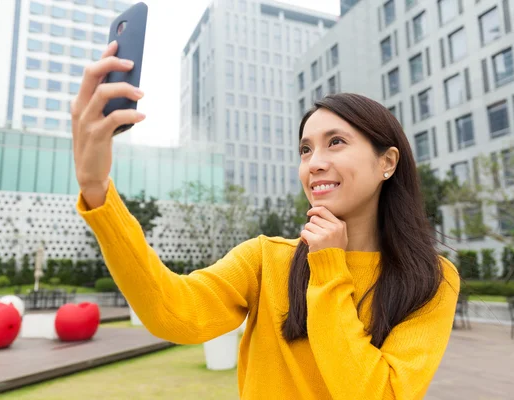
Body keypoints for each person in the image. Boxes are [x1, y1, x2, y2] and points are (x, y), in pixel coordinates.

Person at [71, 41, 460, 400]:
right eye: (305, 150)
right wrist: (95, 189)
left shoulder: (431, 279)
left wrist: (328, 269)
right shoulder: (265, 260)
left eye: (335, 142)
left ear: (387, 162)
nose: (315, 163)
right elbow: (172, 313)